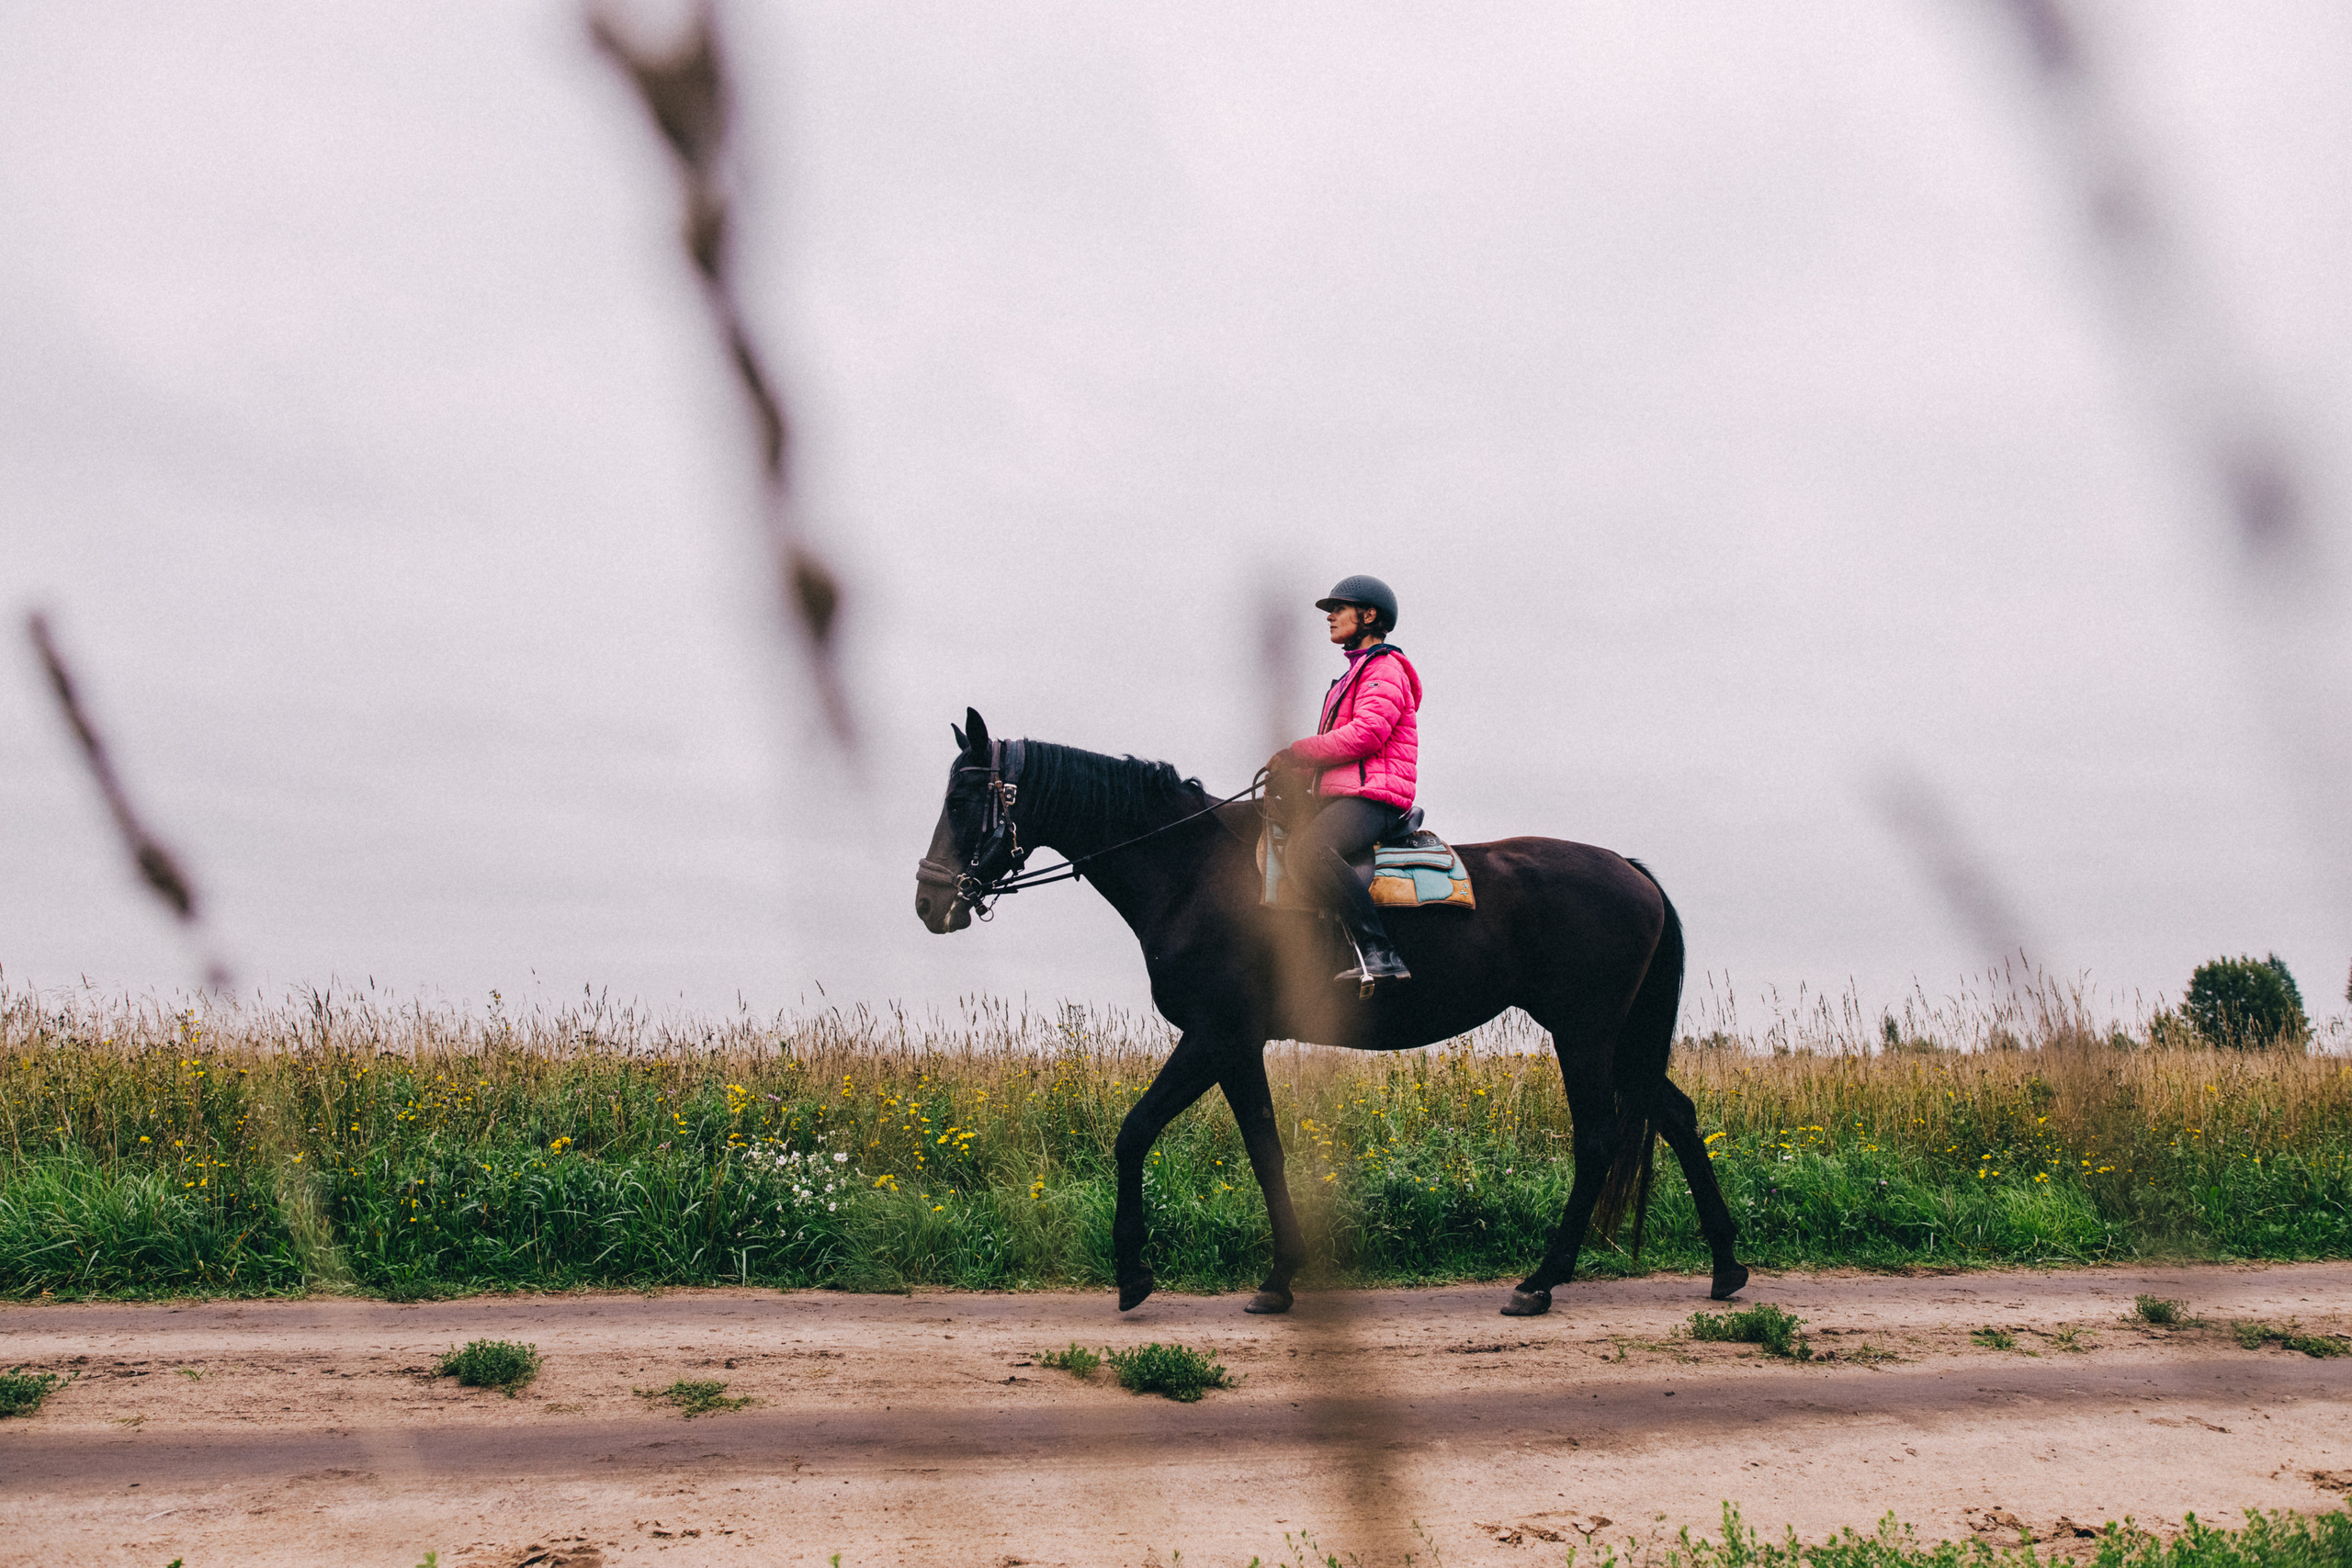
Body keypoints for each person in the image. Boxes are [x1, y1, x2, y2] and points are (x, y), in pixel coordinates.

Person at [1268, 574, 1421, 991]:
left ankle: (1380, 953)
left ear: (1369, 615)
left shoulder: (1384, 668)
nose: (1330, 616)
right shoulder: (1351, 676)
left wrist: (1297, 750)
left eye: (1339, 608)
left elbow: (1368, 733)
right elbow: (1331, 756)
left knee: (1310, 851)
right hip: (1347, 793)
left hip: (1375, 798)